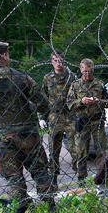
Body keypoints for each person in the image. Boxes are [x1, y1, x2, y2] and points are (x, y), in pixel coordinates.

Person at [0, 41, 56, 213]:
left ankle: (22, 211)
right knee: (40, 170)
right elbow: (43, 104)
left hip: (4, 137)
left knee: (14, 177)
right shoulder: (22, 78)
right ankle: (50, 207)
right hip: (28, 134)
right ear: (5, 55)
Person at [66, 58, 108, 183]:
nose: (87, 74)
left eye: (90, 71)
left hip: (97, 121)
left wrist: (99, 102)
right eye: (85, 71)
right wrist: (81, 101)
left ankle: (102, 178)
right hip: (82, 121)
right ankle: (81, 179)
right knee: (81, 151)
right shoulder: (75, 85)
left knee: (101, 150)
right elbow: (69, 104)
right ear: (81, 70)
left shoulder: (99, 84)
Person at [40, 49, 76, 187]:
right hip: (54, 117)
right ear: (51, 62)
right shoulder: (47, 78)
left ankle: (80, 177)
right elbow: (42, 99)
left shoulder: (70, 77)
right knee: (54, 150)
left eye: (60, 60)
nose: (58, 63)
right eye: (55, 60)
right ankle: (53, 180)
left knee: (75, 149)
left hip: (70, 116)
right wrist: (41, 117)